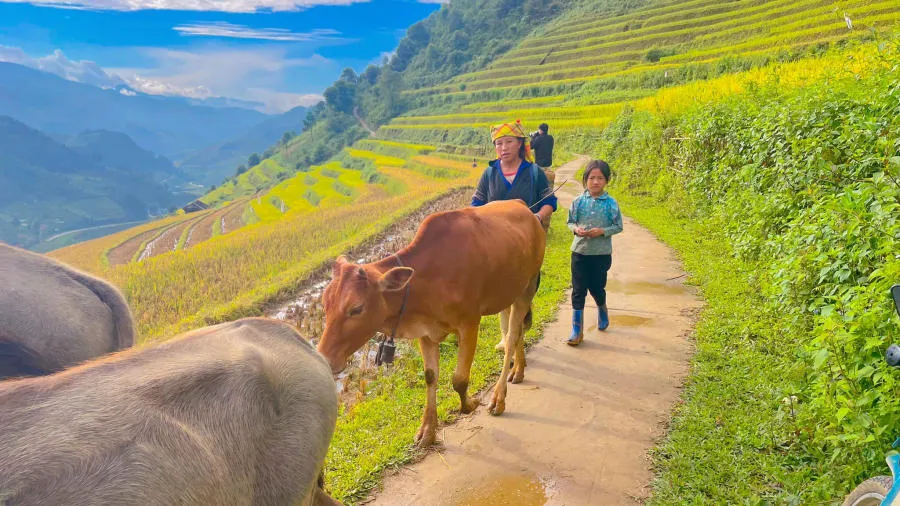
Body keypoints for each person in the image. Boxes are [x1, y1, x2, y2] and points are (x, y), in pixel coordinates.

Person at [566, 159, 623, 346]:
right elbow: (570, 222)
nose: (595, 182)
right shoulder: (578, 202)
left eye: (600, 178)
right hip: (579, 252)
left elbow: (618, 226)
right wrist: (576, 230)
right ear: (585, 180)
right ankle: (576, 330)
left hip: (601, 254)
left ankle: (602, 309)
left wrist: (603, 231)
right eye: (591, 178)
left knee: (597, 288)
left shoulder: (611, 203)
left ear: (606, 181)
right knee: (578, 290)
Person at [471, 120, 557, 228]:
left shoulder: (534, 172)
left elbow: (549, 200)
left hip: (526, 236)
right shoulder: (489, 173)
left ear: (519, 143)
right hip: (494, 237)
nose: (504, 148)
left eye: (509, 141)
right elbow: (477, 202)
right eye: (499, 143)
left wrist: (539, 216)